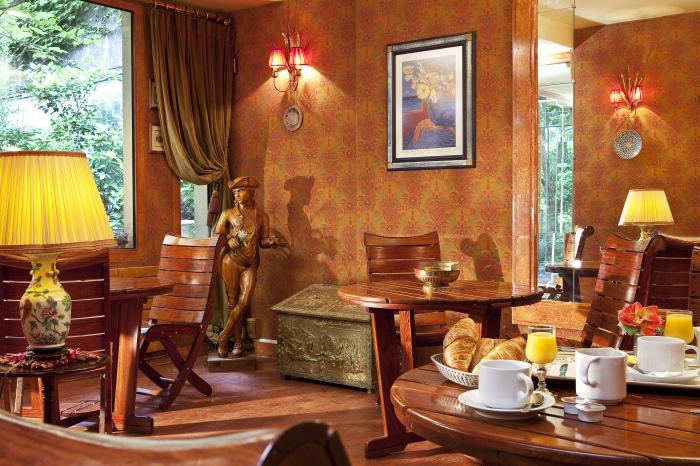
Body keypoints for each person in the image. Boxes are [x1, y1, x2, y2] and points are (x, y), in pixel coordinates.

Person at [214, 176, 284, 358]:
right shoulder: (227, 214)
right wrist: (228, 239)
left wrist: (272, 242)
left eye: (241, 191)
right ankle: (237, 343)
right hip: (231, 261)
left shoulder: (261, 217)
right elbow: (216, 235)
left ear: (251, 192)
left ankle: (223, 336)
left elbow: (263, 241)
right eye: (235, 192)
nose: (237, 194)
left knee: (244, 301)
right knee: (233, 304)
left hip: (250, 263)